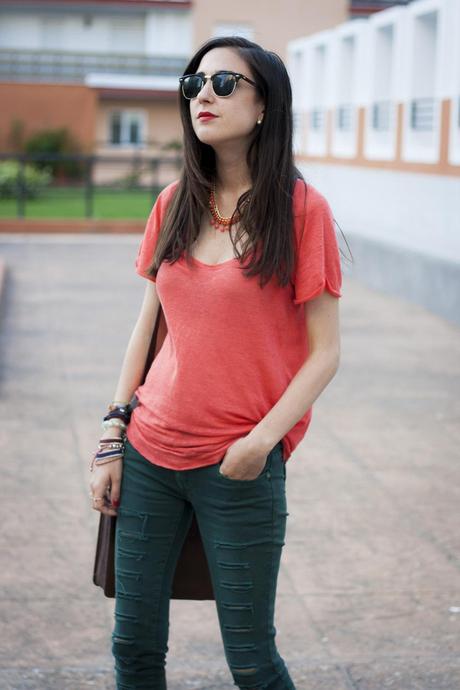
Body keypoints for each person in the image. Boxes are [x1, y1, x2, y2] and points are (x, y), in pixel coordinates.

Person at [89, 34, 343, 690]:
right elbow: (148, 326)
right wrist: (113, 435)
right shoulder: (175, 202)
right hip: (149, 454)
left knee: (253, 660)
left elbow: (326, 353)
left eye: (225, 83)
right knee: (133, 648)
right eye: (195, 83)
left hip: (240, 467)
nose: (204, 93)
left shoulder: (301, 210)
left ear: (265, 107)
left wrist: (261, 443)